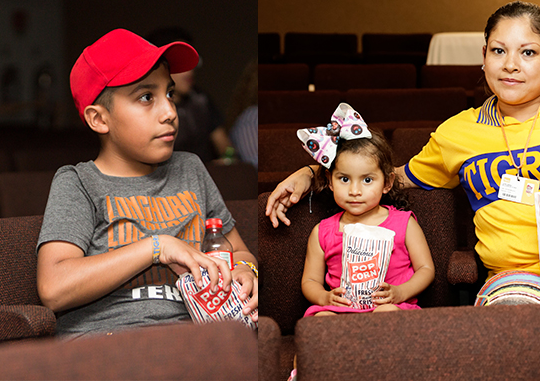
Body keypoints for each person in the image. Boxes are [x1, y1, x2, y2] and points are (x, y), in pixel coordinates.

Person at [266, 1, 540, 307]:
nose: (511, 65)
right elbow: (386, 176)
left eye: (528, 53)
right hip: (515, 277)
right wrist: (311, 173)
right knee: (523, 347)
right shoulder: (457, 132)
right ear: (484, 57)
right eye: (498, 51)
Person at [36, 29, 258, 338]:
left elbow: (240, 252)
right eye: (145, 97)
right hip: (113, 343)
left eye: (168, 94)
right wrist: (157, 247)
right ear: (99, 119)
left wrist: (247, 271)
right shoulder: (78, 182)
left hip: (201, 340)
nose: (169, 112)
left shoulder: (190, 168)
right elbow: (54, 287)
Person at [298, 106, 433, 315]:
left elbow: (426, 269)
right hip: (341, 311)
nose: (354, 191)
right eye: (344, 179)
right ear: (330, 181)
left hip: (391, 306)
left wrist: (400, 292)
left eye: (367, 180)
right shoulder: (322, 232)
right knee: (321, 317)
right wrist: (324, 297)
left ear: (387, 183)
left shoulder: (404, 224)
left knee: (385, 313)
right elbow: (310, 280)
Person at [146, 27, 234, 162]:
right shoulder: (146, 106)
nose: (189, 70)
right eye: (180, 62)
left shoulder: (201, 99)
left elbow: (226, 148)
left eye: (191, 61)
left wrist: (227, 161)